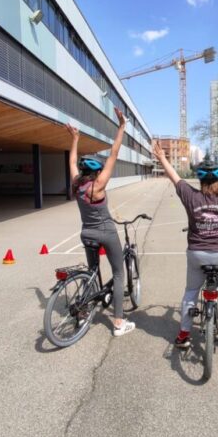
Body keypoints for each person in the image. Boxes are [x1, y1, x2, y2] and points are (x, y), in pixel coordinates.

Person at [153, 135, 218, 351]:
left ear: (200, 180)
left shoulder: (191, 196)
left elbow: (174, 176)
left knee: (191, 291)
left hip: (197, 254)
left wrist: (162, 157)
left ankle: (183, 335)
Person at [66, 108, 134, 337]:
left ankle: (84, 308)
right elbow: (114, 154)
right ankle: (118, 323)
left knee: (92, 271)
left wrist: (74, 139)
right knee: (117, 274)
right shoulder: (98, 186)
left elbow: (72, 160)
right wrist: (122, 126)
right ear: (96, 173)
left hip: (86, 233)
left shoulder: (77, 184)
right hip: (105, 232)